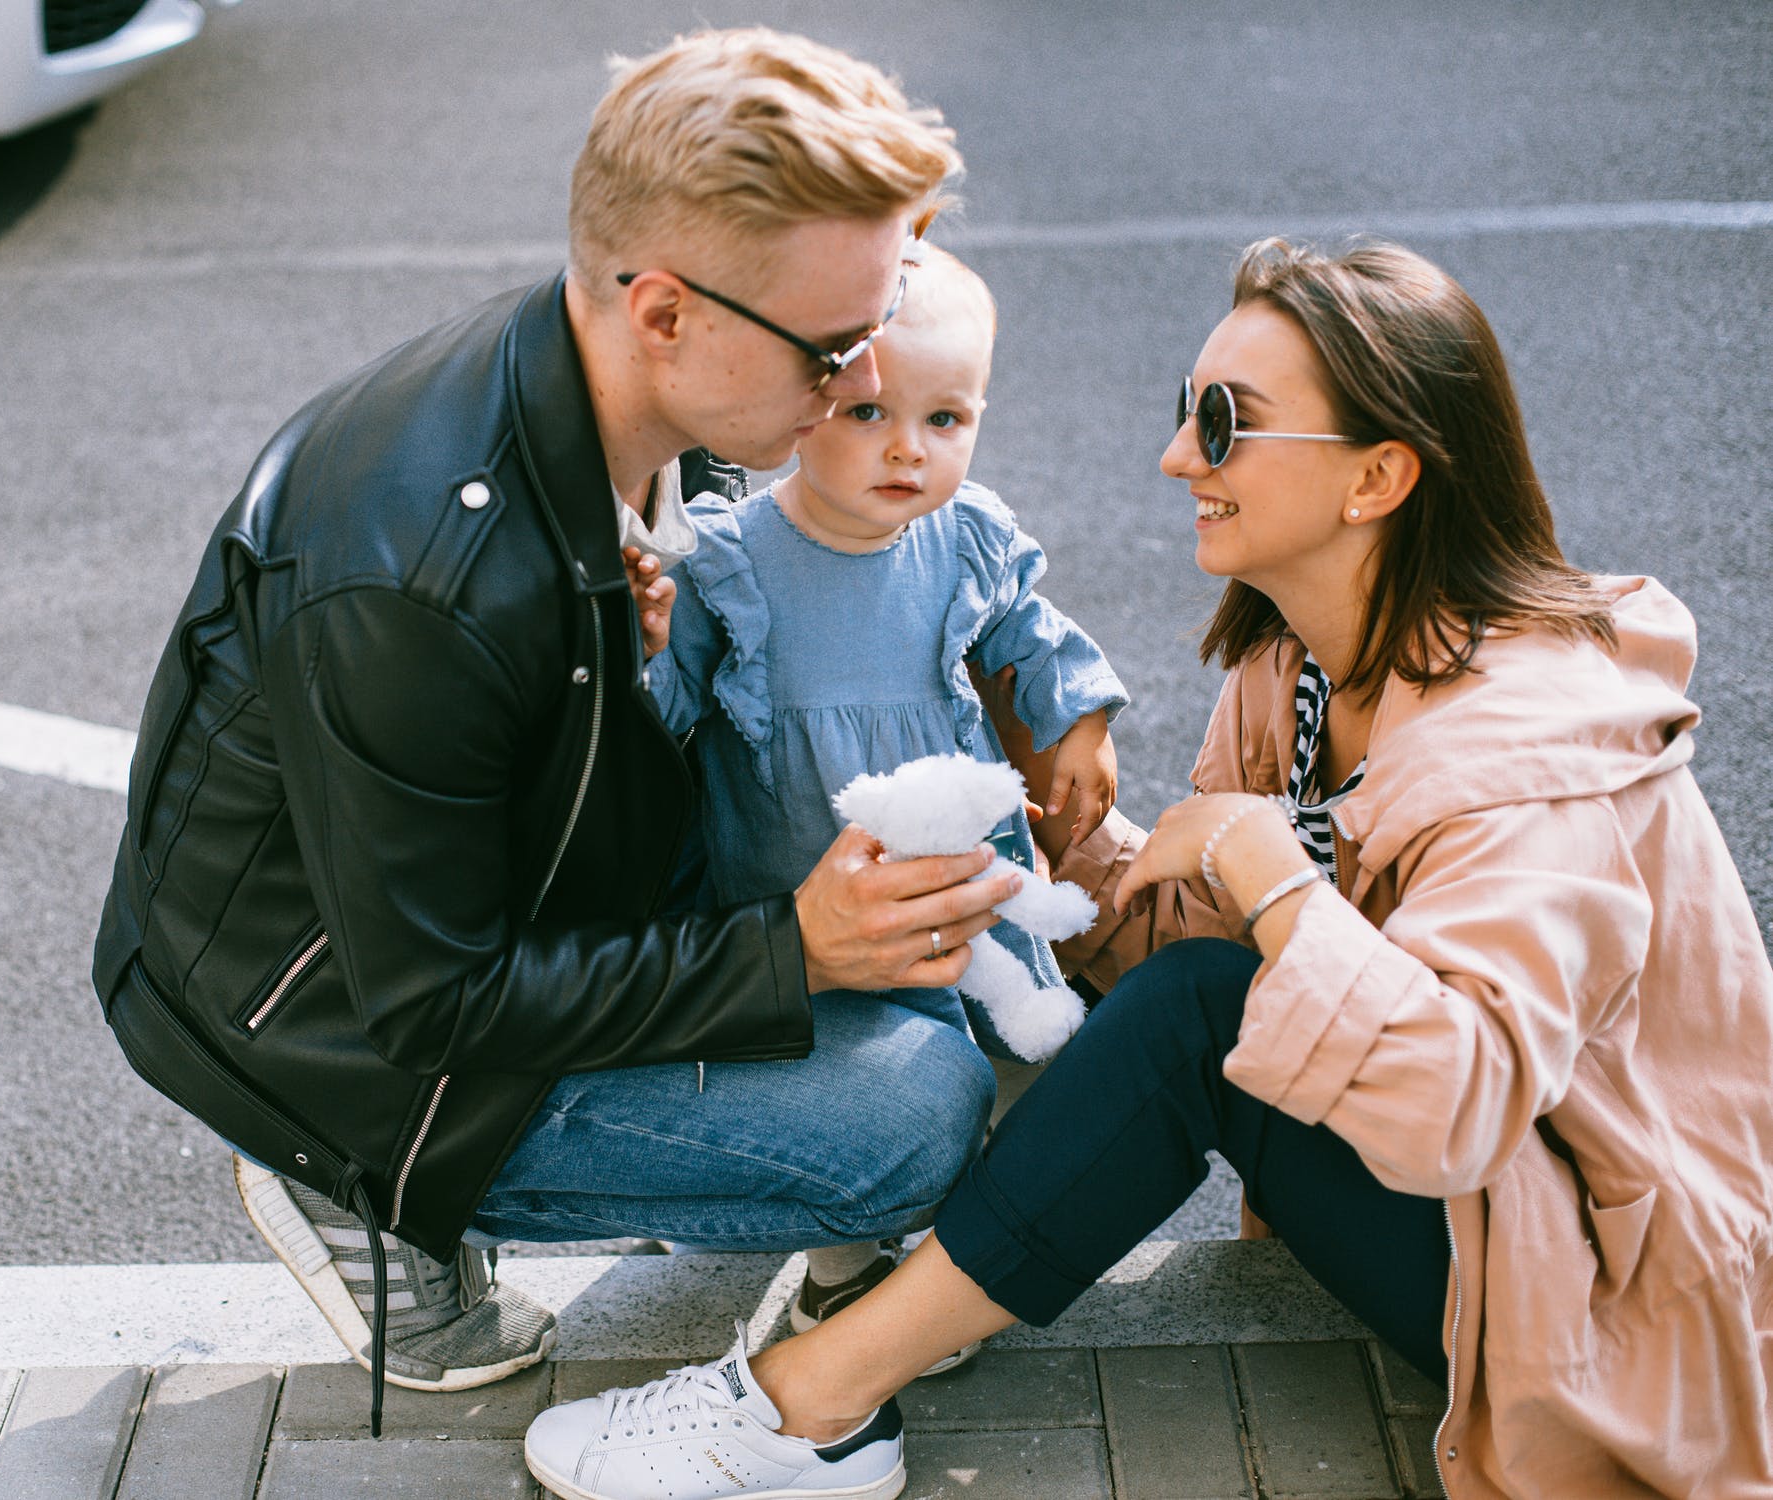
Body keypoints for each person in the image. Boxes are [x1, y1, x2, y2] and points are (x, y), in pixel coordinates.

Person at [523, 237, 1773, 1500]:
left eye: (1226, 423)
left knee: (1189, 1022)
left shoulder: (1534, 737)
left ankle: (810, 1405)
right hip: (1478, 1232)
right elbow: (1210, 949)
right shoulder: (1294, 673)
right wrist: (1039, 860)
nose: (1179, 457)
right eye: (1187, 412)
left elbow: (1452, 1104)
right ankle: (847, 1354)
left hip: (1606, 1311)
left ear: (1378, 476)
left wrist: (1260, 864)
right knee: (1178, 1003)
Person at [91, 27, 1029, 1436]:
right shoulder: (419, 582)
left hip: (516, 899)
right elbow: (429, 1006)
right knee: (910, 1110)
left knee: (942, 961)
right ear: (662, 311)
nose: (860, 386)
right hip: (336, 1038)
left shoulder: (639, 394)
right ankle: (339, 1182)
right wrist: (792, 952)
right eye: (834, 348)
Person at [633, 241, 1127, 1348]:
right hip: (800, 882)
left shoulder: (963, 537)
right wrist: (646, 638)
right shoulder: (734, 563)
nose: (908, 449)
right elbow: (661, 710)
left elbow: (1031, 636)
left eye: (946, 419)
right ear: (799, 405)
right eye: (866, 414)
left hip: (958, 859)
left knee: (1001, 1041)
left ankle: (971, 1249)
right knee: (840, 1058)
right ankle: (843, 1272)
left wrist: (1079, 719)